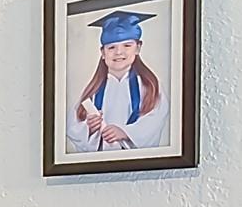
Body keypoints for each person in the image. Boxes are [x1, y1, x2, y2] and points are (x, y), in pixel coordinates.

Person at [64, 10, 171, 153]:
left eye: (127, 45)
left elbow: (156, 118)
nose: (119, 52)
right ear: (103, 53)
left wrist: (125, 132)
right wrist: (89, 128)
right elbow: (72, 126)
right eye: (111, 47)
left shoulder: (150, 86)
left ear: (138, 47)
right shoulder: (93, 91)